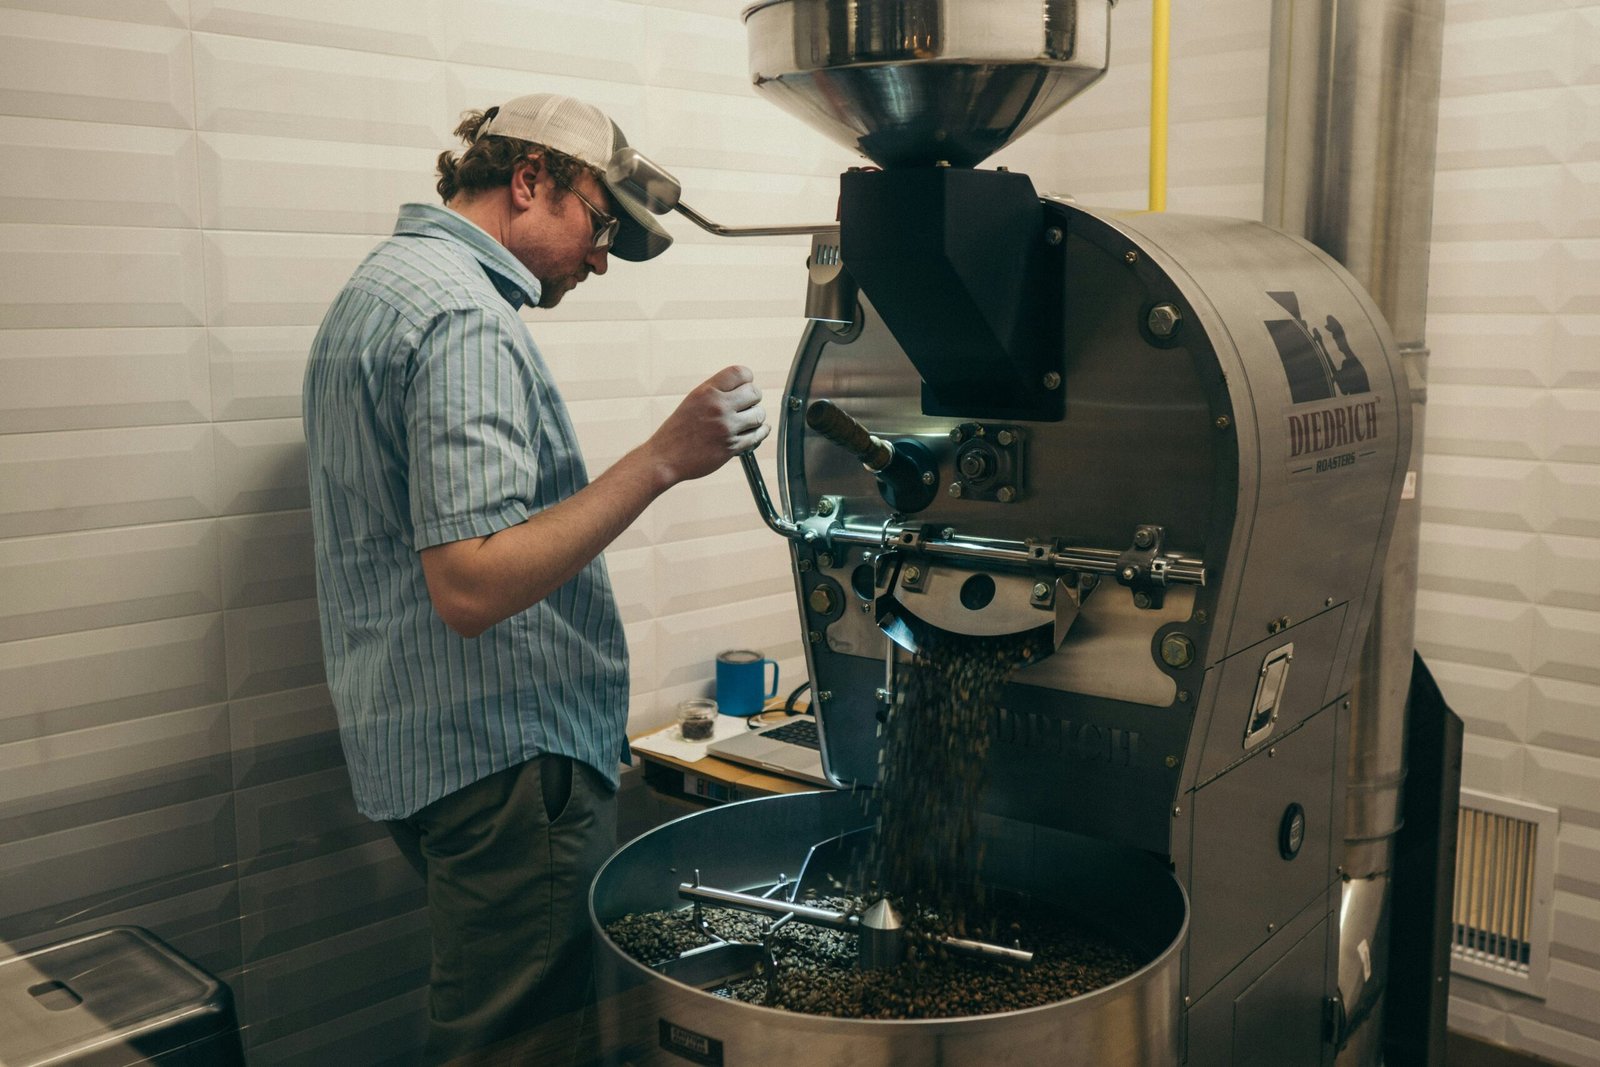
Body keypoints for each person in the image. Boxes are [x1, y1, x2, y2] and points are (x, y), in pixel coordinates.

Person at [301, 94, 769, 1065]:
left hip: (419, 744)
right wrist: (665, 455)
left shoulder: (378, 289)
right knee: (525, 1046)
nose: (599, 257)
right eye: (600, 226)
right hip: (506, 762)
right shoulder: (465, 318)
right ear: (529, 180)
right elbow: (472, 584)